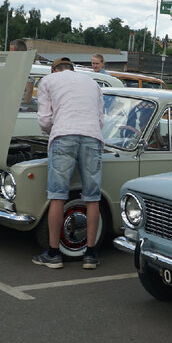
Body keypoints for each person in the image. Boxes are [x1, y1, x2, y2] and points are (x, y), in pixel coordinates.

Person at [32, 57, 105, 270]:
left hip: (64, 136)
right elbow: (101, 120)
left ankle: (53, 253)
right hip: (92, 137)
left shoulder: (48, 80)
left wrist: (56, 127)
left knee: (57, 195)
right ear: (72, 69)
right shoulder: (93, 83)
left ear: (54, 70)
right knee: (92, 197)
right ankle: (90, 254)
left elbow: (44, 120)